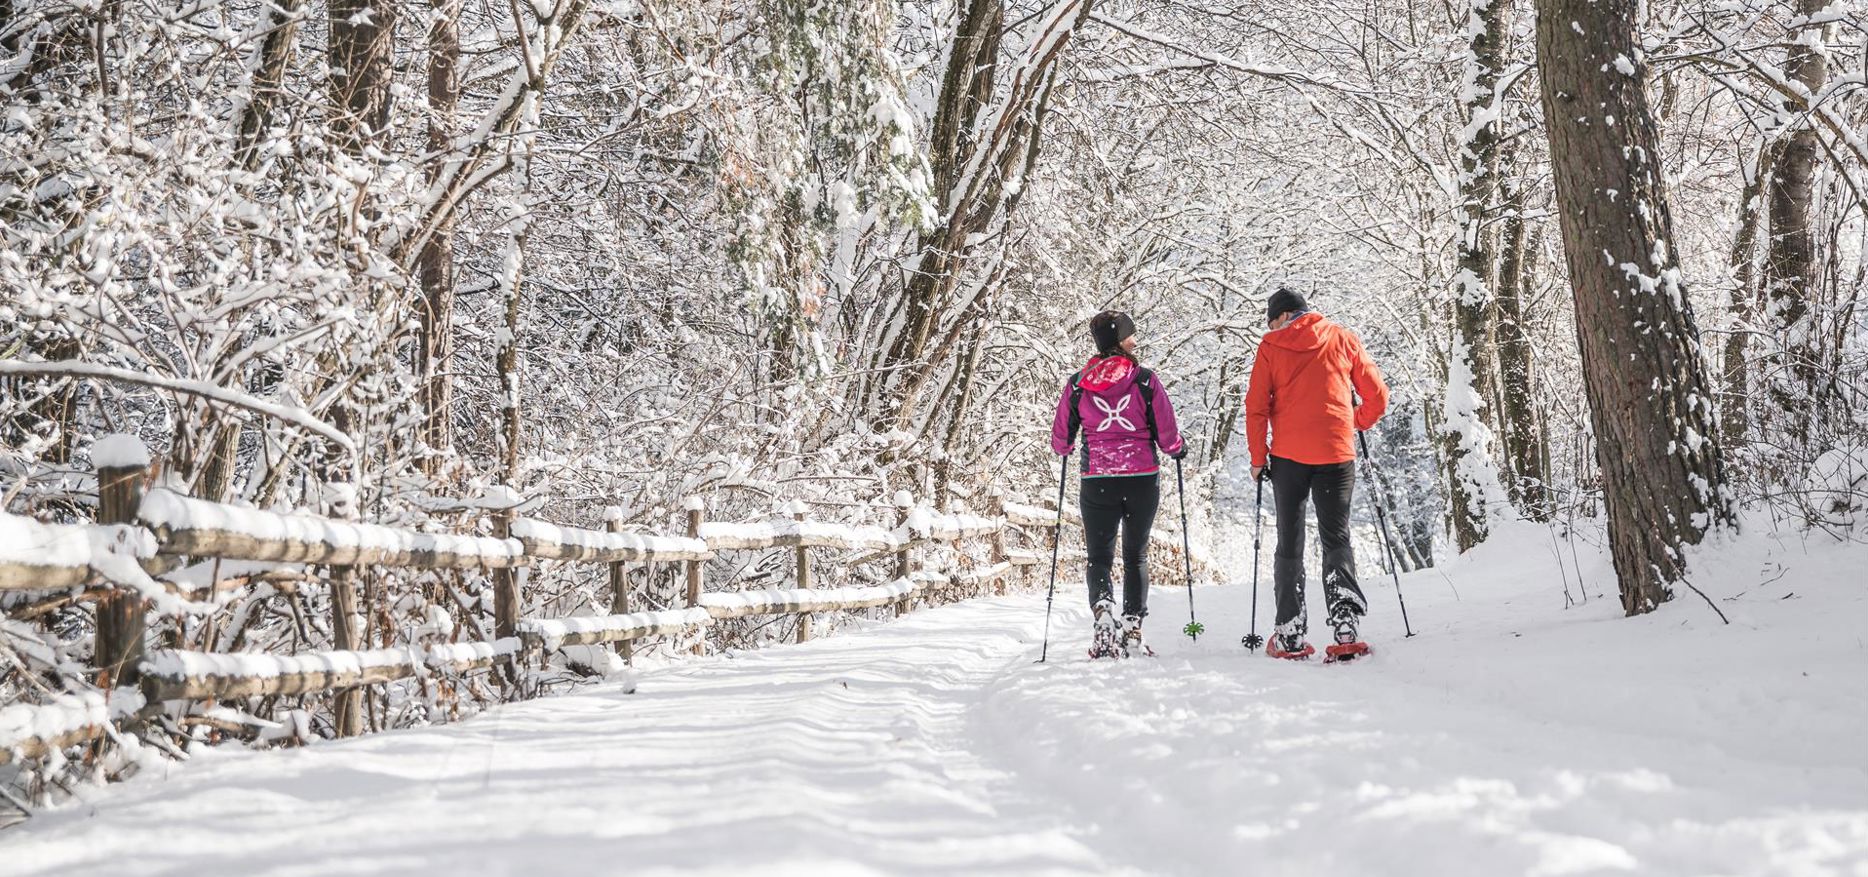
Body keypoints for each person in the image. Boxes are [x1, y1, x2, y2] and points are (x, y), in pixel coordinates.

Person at [1243, 288, 1389, 659]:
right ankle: (1345, 625)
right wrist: (1353, 421)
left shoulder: (1271, 347)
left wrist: (1258, 459)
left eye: (1271, 322)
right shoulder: (1342, 338)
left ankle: (1290, 632)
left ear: (1280, 317)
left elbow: (1257, 408)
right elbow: (1378, 396)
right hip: (1336, 455)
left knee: (1289, 540)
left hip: (1289, 458)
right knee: (1336, 538)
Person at [1050, 311, 1187, 658]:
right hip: (1141, 478)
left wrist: (1070, 445)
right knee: (1135, 555)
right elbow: (1167, 434)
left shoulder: (1078, 384)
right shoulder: (1144, 380)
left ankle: (1103, 612)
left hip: (1097, 479)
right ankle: (1132, 626)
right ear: (1123, 341)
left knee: (1099, 556)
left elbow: (1061, 442)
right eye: (1131, 336)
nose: (1136, 341)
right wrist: (1177, 449)